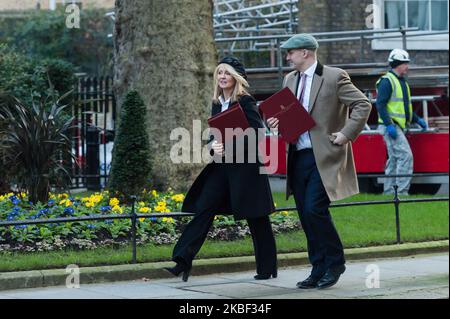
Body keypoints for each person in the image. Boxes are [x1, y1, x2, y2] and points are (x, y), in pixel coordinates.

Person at [266, 34, 371, 289]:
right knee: (305, 214)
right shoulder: (289, 79)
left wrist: (346, 134)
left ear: (306, 53)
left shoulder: (335, 76)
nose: (287, 57)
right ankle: (318, 267)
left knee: (315, 209)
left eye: (290, 53)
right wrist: (276, 125)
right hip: (298, 156)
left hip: (325, 158)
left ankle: (334, 263)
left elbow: (362, 104)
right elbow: (288, 118)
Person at [163, 57, 277, 282]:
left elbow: (257, 134)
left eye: (226, 73)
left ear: (236, 78)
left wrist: (229, 145)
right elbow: (215, 135)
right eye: (219, 73)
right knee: (204, 208)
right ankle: (182, 261)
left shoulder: (246, 101)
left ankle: (267, 267)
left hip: (246, 170)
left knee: (257, 218)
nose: (222, 77)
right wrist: (212, 145)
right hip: (222, 168)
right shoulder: (217, 103)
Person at [376, 49, 427, 195]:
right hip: (391, 126)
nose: (407, 67)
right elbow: (380, 105)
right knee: (405, 156)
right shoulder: (387, 81)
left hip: (396, 126)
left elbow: (404, 108)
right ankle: (402, 192)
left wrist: (418, 120)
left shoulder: (402, 82)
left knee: (394, 159)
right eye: (405, 63)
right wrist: (389, 125)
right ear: (398, 64)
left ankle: (389, 192)